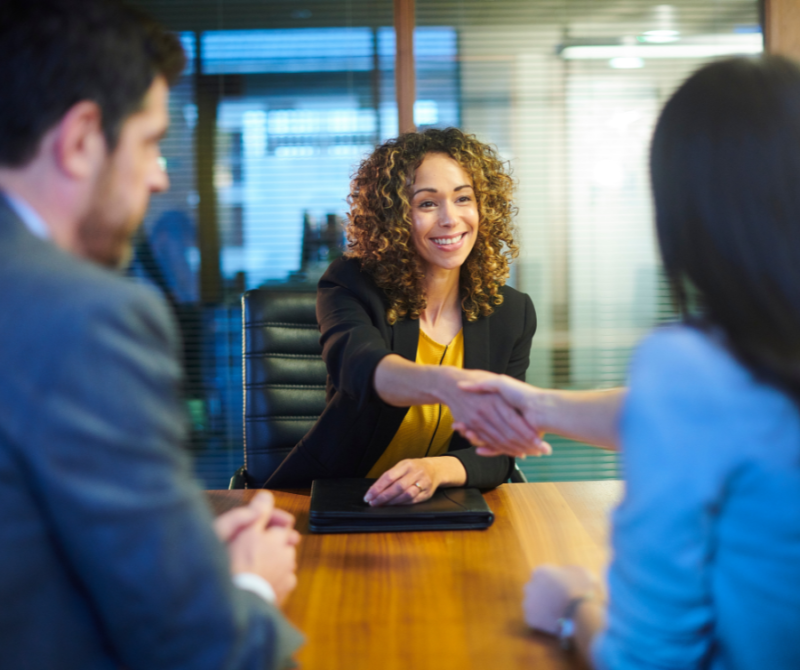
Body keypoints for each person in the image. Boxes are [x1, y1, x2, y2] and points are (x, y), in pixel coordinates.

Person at [460, 56, 800, 668]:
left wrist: (569, 607)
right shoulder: (739, 369)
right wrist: (537, 406)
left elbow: (645, 659)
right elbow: (718, 418)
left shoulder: (692, 367)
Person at [0, 1, 303, 668]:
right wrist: (249, 584)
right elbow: (199, 648)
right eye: (149, 141)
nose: (161, 173)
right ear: (81, 140)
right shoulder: (83, 314)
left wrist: (179, 556)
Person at [266, 128, 547, 504]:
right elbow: (362, 369)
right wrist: (446, 384)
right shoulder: (350, 284)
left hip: (439, 503)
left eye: (463, 198)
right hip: (335, 495)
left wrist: (435, 470)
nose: (450, 219)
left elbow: (498, 453)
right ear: (394, 217)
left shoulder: (511, 313)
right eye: (427, 204)